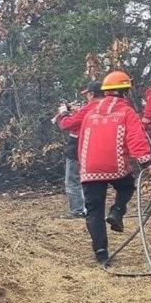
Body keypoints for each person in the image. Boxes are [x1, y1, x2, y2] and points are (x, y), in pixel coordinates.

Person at [75, 70, 151, 264]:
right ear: (125, 92)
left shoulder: (90, 112)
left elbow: (82, 141)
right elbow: (136, 138)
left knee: (94, 210)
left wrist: (84, 166)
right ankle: (117, 211)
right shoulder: (127, 112)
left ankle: (101, 253)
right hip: (115, 165)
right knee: (126, 186)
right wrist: (147, 163)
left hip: (89, 168)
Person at [55, 81, 102, 218]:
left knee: (73, 180)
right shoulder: (108, 108)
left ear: (92, 94)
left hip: (78, 148)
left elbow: (66, 124)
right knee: (94, 180)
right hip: (98, 148)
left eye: (87, 94)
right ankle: (93, 208)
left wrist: (64, 113)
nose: (86, 97)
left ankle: (77, 209)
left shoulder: (89, 108)